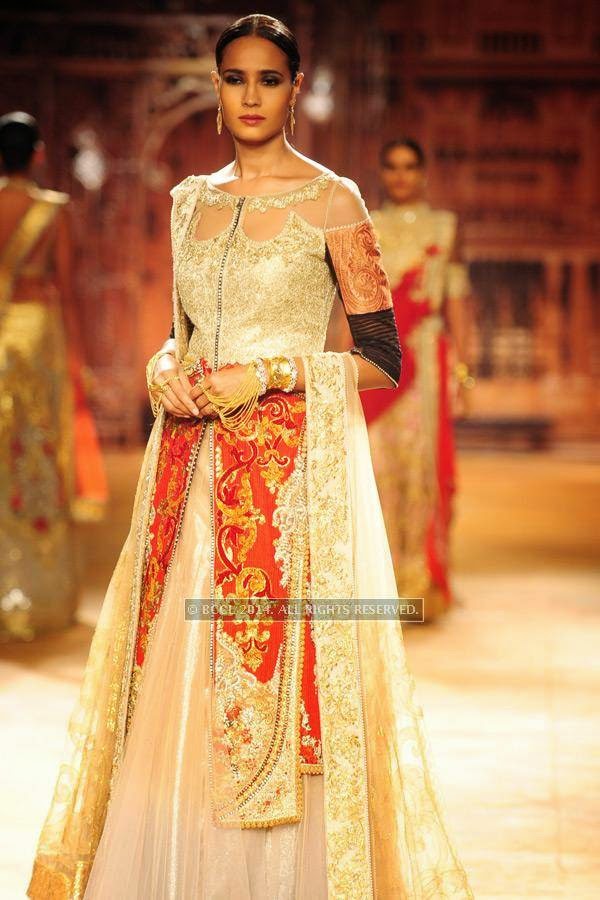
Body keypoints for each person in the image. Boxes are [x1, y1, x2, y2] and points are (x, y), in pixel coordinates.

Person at [27, 17, 473, 899]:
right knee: (172, 686)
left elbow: (382, 357)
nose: (251, 97)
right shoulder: (188, 199)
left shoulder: (335, 201)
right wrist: (163, 369)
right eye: (235, 80)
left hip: (283, 486)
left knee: (274, 689)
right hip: (184, 476)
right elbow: (179, 334)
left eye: (269, 80)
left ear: (296, 87)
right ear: (219, 87)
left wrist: (267, 374)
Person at [0, 112, 107, 643]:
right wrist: (79, 359)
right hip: (37, 334)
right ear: (38, 154)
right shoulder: (53, 211)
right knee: (37, 453)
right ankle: (39, 594)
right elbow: (65, 285)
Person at [360, 138, 473, 622]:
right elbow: (356, 303)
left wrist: (463, 373)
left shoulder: (445, 228)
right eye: (393, 167)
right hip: (380, 363)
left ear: (424, 172)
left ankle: (421, 579)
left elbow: (457, 303)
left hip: (426, 360)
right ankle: (379, 581)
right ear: (383, 173)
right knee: (378, 467)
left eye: (410, 167)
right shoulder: (364, 226)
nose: (401, 176)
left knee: (423, 469)